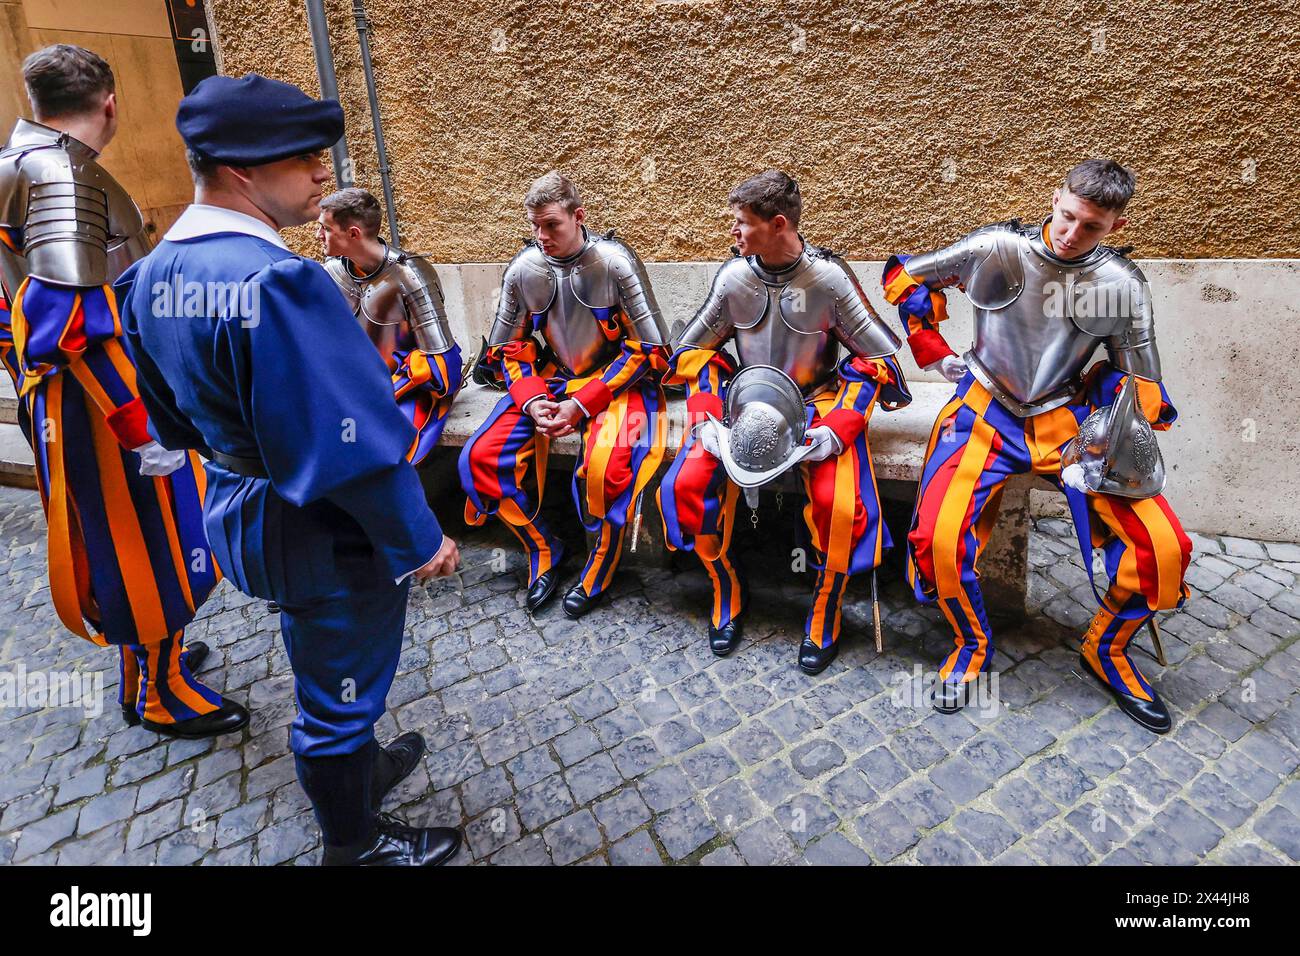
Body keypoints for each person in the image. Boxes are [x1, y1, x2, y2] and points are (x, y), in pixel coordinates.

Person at [116, 73, 462, 865]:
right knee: (335, 694)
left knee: (326, 660)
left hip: (239, 503)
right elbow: (350, 447)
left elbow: (166, 412)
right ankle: (354, 843)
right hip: (320, 525)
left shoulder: (153, 271)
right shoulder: (278, 279)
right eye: (304, 158)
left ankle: (363, 772)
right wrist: (418, 538)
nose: (321, 173)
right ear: (242, 170)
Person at [881, 158, 1191, 733]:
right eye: (1068, 216)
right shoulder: (997, 248)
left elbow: (1140, 379)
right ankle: (972, 645)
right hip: (982, 410)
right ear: (1055, 197)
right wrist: (929, 347)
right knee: (939, 540)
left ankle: (1108, 650)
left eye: (1092, 226)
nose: (1073, 234)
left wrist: (1126, 438)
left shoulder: (1122, 284)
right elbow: (907, 278)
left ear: (1116, 227)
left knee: (1164, 548)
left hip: (1067, 421)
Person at [0, 44, 243, 738]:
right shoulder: (63, 174)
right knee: (149, 544)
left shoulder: (11, 166)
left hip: (62, 400)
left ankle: (149, 666)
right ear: (110, 102)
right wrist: (143, 429)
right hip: (106, 408)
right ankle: (158, 691)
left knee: (122, 543)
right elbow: (67, 324)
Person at [658, 170, 910, 674]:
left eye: (742, 224)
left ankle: (825, 609)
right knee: (685, 483)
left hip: (816, 405)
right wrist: (706, 416)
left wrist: (836, 430)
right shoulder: (734, 277)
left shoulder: (828, 278)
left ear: (777, 224)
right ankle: (726, 587)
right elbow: (692, 351)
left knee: (837, 504)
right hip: (742, 404)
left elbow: (878, 362)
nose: (733, 233)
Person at [460, 171, 670, 618]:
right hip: (552, 382)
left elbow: (648, 350)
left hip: (614, 384)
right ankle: (544, 547)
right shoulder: (523, 269)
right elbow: (508, 350)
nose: (541, 236)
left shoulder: (614, 262)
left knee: (603, 472)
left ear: (579, 216)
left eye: (551, 224)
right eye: (534, 225)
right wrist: (534, 399)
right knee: (479, 460)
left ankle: (601, 563)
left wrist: (582, 403)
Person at [318, 187, 462, 465]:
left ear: (353, 234)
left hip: (408, 391)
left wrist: (382, 388)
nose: (318, 235)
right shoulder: (330, 272)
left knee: (381, 450)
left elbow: (441, 364)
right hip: (354, 389)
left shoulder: (411, 276)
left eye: (325, 228)